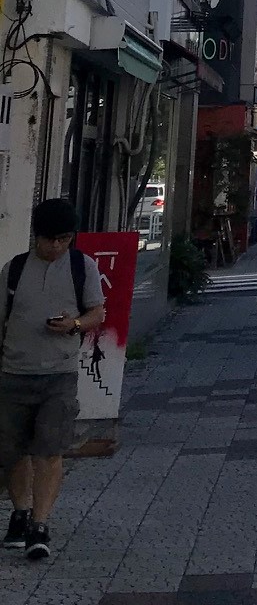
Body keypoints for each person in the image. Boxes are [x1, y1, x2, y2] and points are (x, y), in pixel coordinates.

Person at [0, 199, 107, 562]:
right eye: (51, 240)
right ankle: (20, 513)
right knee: (12, 451)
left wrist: (74, 325)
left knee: (49, 449)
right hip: (13, 372)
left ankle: (40, 526)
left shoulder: (83, 267)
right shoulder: (14, 270)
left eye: (64, 239)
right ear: (36, 237)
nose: (57, 247)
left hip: (59, 374)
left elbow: (97, 312)